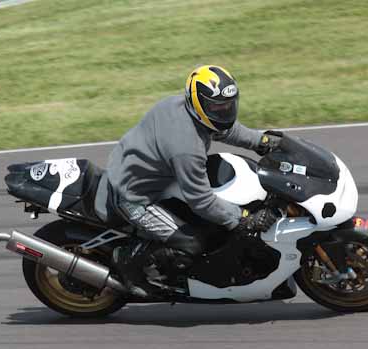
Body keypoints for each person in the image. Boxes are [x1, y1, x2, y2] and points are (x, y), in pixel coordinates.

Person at [101, 65, 281, 294]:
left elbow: (225, 129)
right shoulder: (186, 147)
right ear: (198, 103)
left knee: (214, 219)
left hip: (144, 170)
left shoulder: (183, 107)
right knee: (192, 243)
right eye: (216, 106)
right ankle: (128, 260)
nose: (224, 111)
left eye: (228, 105)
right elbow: (201, 201)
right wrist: (244, 218)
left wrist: (262, 141)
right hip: (134, 196)